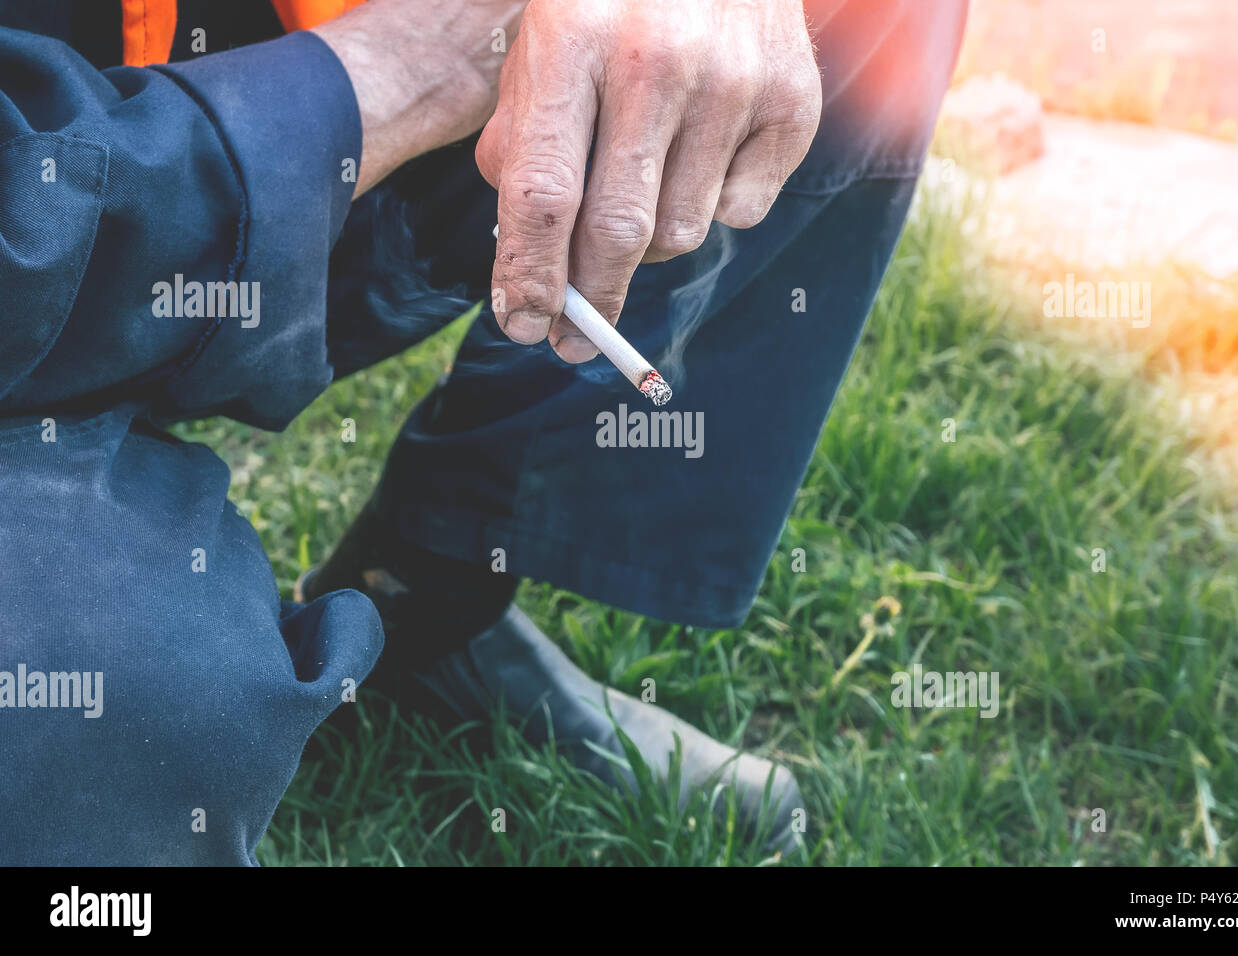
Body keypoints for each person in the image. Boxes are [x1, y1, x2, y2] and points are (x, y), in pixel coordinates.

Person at [0, 0, 966, 864]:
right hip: (75, 223)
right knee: (137, 711)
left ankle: (429, 593)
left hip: (261, 151)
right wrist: (402, 68)